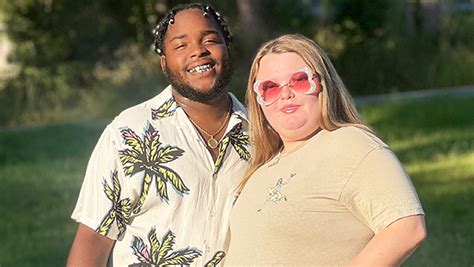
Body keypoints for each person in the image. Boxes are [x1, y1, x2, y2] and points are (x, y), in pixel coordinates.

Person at [67, 3, 250, 266]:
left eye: (209, 40)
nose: (198, 51)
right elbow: (92, 241)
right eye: (180, 45)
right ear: (164, 63)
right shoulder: (128, 132)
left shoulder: (263, 134)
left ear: (227, 49)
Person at [225, 34, 426, 266]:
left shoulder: (351, 144)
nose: (285, 94)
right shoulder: (263, 166)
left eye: (300, 80)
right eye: (269, 88)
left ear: (324, 84)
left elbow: (408, 228)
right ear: (258, 100)